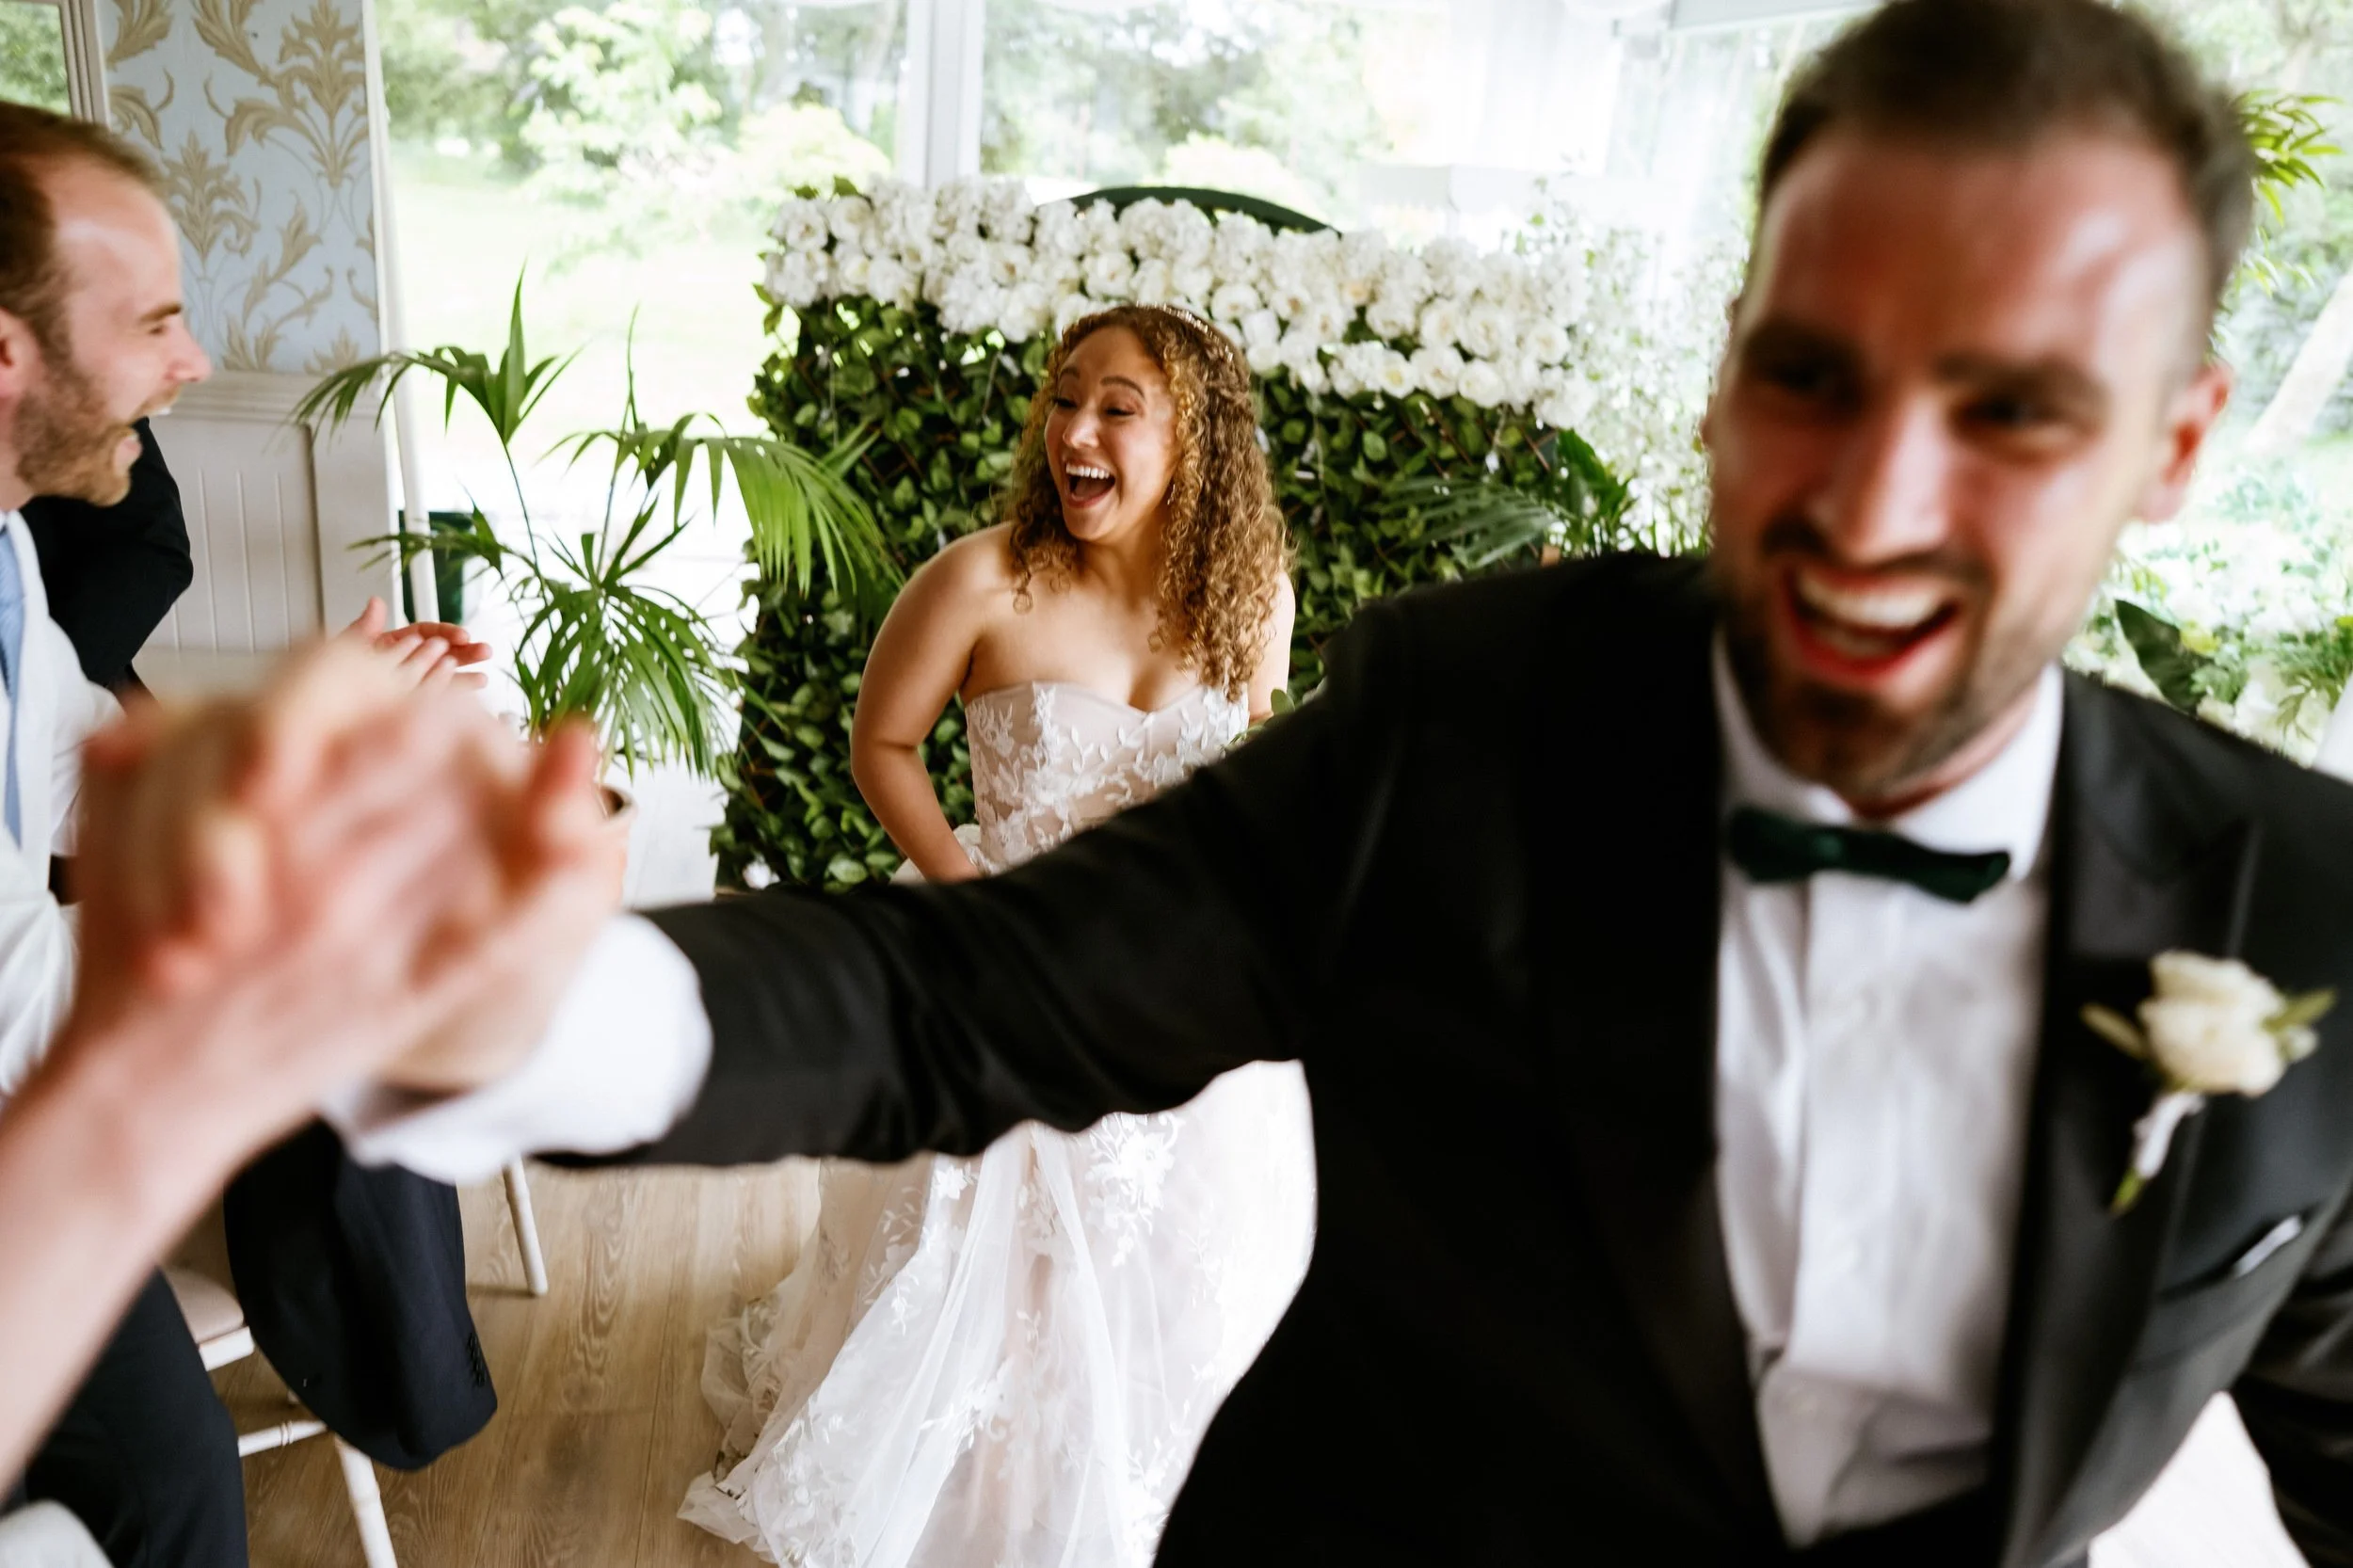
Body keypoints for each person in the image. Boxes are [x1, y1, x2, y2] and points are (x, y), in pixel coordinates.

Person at [282, 0, 2353, 1561]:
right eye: (1809, 372)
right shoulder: (1471, 722)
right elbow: (957, 996)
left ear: (2173, 445)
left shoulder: (2305, 917)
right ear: (1731, 356)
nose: (1874, 502)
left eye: (2013, 410)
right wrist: (507, 985)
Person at [679, 304, 1315, 1566]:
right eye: (1062, 397)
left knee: (1184, 1247)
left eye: (1117, 407)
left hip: (1176, 974)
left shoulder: (1253, 600)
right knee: (1000, 1236)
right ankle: (985, 1451)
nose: (1073, 429)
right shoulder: (982, 580)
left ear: (1194, 440)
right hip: (1001, 944)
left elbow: (1251, 779)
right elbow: (883, 743)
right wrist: (966, 885)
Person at [0, 101, 488, 1567]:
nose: (192, 361)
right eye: (153, 319)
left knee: (173, 1488)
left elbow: (84, 770)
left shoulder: (12, 547)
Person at [0, 641, 611, 1488]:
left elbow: (82, 767)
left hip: (62, 1134)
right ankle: (401, 1373)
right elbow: (21, 1001)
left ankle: (413, 1372)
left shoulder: (12, 561)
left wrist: (298, 752)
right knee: (177, 1482)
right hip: (36, 1141)